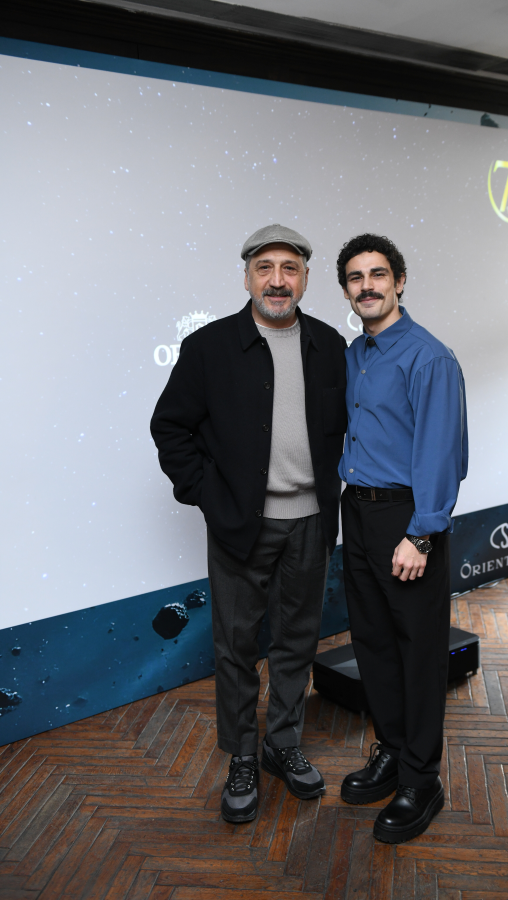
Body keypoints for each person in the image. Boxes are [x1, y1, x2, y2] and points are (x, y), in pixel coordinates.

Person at [150, 224, 347, 823]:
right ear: (246, 278)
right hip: (241, 526)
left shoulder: (330, 345)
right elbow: (170, 427)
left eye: (290, 269)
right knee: (236, 647)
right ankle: (241, 754)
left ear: (305, 279)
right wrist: (209, 495)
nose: (277, 280)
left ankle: (281, 744)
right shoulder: (209, 347)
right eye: (265, 268)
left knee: (297, 641)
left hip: (311, 523)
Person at [336, 233, 468, 844]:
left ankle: (421, 778)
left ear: (400, 281)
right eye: (356, 277)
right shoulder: (355, 355)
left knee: (418, 651)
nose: (367, 286)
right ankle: (390, 751)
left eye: (378, 274)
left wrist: (421, 534)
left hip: (406, 519)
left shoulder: (429, 357)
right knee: (374, 643)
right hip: (357, 511)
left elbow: (442, 453)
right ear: (347, 290)